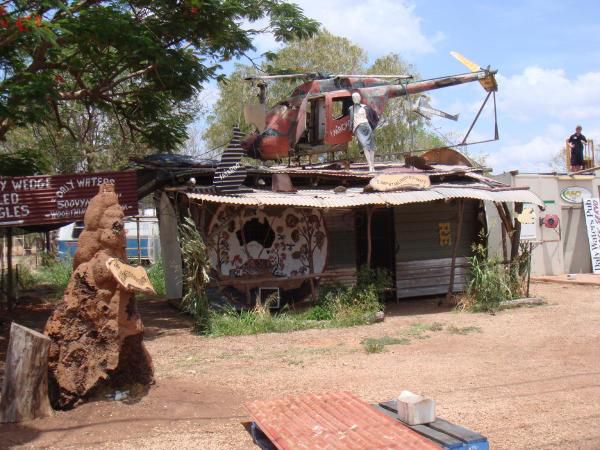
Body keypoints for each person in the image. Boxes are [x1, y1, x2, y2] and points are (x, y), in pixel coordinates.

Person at [348, 92, 378, 172]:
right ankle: (370, 165)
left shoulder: (366, 107)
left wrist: (373, 125)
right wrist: (351, 130)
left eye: (356, 97)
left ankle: (372, 165)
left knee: (372, 147)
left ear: (359, 98)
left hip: (367, 126)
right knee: (365, 146)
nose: (355, 99)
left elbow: (374, 116)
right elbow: (351, 120)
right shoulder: (351, 108)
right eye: (353, 98)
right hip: (358, 128)